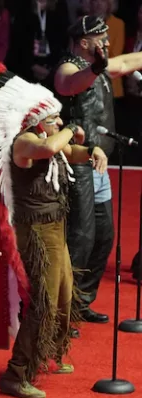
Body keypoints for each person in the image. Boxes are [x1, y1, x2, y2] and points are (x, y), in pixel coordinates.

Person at [0, 60, 108, 398]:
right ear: (37, 120)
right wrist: (71, 128)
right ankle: (17, 371)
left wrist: (93, 149)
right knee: (44, 299)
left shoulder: (48, 137)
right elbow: (52, 147)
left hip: (55, 227)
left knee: (65, 294)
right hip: (36, 232)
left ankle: (49, 353)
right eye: (52, 118)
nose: (57, 122)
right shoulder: (25, 143)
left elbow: (71, 152)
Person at [54, 15, 142, 324]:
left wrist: (104, 65)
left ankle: (80, 302)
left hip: (100, 163)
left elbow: (130, 60)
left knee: (104, 237)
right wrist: (95, 68)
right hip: (79, 161)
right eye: (100, 39)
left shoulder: (102, 63)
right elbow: (69, 84)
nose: (106, 43)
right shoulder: (68, 67)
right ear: (82, 43)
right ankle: (61, 311)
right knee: (80, 237)